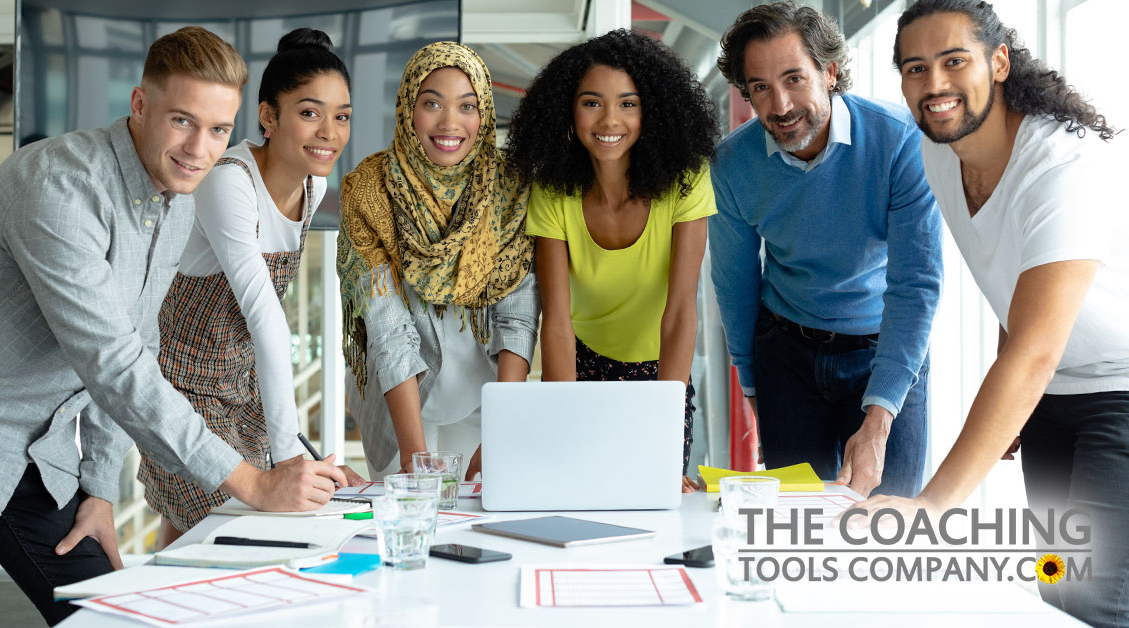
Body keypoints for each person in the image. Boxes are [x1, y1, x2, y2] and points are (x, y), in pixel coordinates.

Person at [0, 27, 348, 627]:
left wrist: (98, 489)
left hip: (25, 449)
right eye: (182, 120)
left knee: (114, 616)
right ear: (140, 105)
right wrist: (252, 483)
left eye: (219, 130)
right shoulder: (60, 186)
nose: (199, 149)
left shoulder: (176, 197)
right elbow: (113, 364)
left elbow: (139, 343)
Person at [852, 1, 1128, 625]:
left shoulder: (1062, 164)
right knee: (1059, 581)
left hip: (1121, 388)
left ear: (999, 61)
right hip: (1055, 396)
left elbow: (1035, 349)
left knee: (1097, 601)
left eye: (955, 62)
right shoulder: (939, 154)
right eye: (915, 68)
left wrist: (930, 506)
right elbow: (1014, 279)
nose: (935, 85)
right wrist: (1018, 407)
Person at [137, 28, 364, 549]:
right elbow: (265, 318)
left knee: (204, 535)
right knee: (238, 528)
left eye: (342, 116)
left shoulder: (314, 185)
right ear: (268, 116)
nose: (329, 131)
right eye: (310, 113)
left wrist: (297, 456)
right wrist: (288, 459)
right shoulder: (228, 180)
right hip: (182, 389)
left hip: (242, 393)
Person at [709, 1, 942, 498]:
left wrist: (879, 420)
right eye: (760, 88)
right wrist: (755, 389)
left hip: (885, 345)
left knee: (889, 524)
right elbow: (735, 285)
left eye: (794, 79)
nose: (780, 105)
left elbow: (915, 284)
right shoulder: (732, 165)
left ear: (829, 72)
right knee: (799, 529)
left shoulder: (901, 142)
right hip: (787, 356)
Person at [505, 29, 720, 492]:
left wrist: (664, 427)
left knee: (656, 493)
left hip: (661, 371)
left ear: (652, 110)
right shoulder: (553, 190)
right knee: (575, 487)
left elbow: (682, 312)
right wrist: (563, 423)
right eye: (591, 102)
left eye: (628, 103)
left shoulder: (687, 180)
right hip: (581, 364)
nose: (609, 119)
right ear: (568, 109)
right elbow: (556, 323)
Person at [337, 42, 538, 482]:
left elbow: (517, 319)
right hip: (398, 403)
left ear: (483, 114)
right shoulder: (369, 192)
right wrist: (414, 456)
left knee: (476, 526)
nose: (451, 123)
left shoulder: (511, 189)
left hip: (485, 394)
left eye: (467, 106)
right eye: (432, 104)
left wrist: (501, 432)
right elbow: (387, 329)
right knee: (409, 515)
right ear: (408, 108)